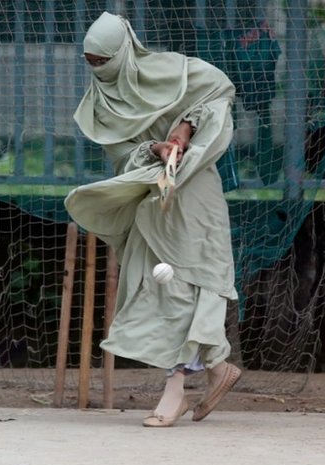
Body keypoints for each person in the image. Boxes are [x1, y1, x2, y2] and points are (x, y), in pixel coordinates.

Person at [65, 12, 241, 427]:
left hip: (194, 188)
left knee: (193, 282)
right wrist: (153, 149)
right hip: (150, 196)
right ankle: (216, 366)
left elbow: (219, 90)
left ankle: (176, 389)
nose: (99, 69)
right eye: (91, 62)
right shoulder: (99, 104)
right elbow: (120, 155)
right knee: (157, 288)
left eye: (104, 59)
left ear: (125, 50)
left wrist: (185, 127)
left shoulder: (173, 70)